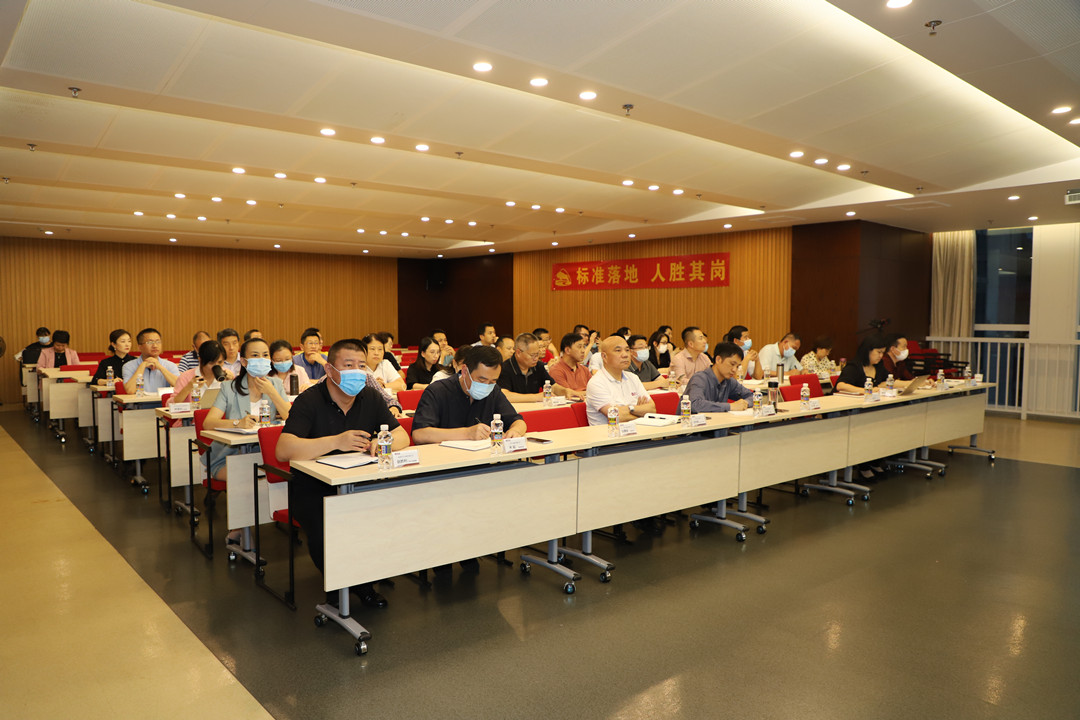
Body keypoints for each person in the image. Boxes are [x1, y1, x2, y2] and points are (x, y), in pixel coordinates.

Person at [277, 338, 409, 610]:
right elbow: (283, 449)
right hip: (314, 489)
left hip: (360, 483)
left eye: (361, 366)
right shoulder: (309, 400)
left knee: (386, 516)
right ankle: (346, 585)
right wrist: (336, 441)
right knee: (325, 529)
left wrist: (382, 441)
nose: (356, 372)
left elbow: (402, 436)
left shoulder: (370, 397)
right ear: (330, 369)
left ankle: (362, 577)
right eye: (348, 365)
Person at [203, 338, 290, 545]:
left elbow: (290, 417)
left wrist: (272, 392)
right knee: (246, 476)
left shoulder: (276, 384)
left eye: (265, 355)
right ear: (243, 361)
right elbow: (208, 422)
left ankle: (269, 516)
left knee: (274, 475)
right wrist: (237, 423)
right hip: (228, 457)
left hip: (266, 455)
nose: (262, 359)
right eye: (255, 355)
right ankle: (241, 527)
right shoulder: (229, 387)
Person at [412, 346, 526, 444]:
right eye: (481, 380)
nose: (486, 386)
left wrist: (515, 431)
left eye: (492, 381)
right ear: (465, 371)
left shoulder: (493, 391)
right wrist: (467, 433)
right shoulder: (437, 391)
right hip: (447, 459)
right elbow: (419, 434)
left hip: (485, 458)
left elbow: (518, 421)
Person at [585, 336, 656, 425]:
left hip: (637, 431)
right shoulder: (597, 383)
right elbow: (618, 416)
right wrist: (640, 413)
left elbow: (652, 409)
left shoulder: (633, 378)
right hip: (609, 433)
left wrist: (630, 408)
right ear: (604, 356)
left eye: (627, 350)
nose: (625, 355)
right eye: (618, 350)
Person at [496, 333, 580, 402]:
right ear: (518, 352)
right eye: (532, 355)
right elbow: (504, 395)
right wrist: (536, 397)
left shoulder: (538, 366)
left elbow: (553, 387)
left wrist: (565, 391)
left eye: (537, 354)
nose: (536, 358)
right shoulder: (504, 368)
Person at [683, 342, 754, 412]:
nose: (734, 370)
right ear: (718, 360)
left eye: (737, 366)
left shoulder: (729, 381)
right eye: (732, 364)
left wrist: (745, 403)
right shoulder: (699, 379)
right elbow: (694, 404)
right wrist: (730, 406)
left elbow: (753, 396)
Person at [123, 328, 179, 394]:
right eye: (149, 342)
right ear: (140, 347)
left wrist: (161, 368)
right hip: (140, 400)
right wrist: (142, 366)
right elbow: (130, 391)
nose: (155, 345)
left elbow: (180, 386)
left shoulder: (170, 365)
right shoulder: (129, 366)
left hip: (162, 401)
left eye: (158, 342)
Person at [169, 340, 226, 405]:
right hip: (193, 411)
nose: (216, 366)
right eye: (211, 363)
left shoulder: (227, 375)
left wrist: (232, 382)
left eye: (220, 362)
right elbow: (170, 404)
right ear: (200, 359)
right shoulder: (186, 377)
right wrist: (188, 387)